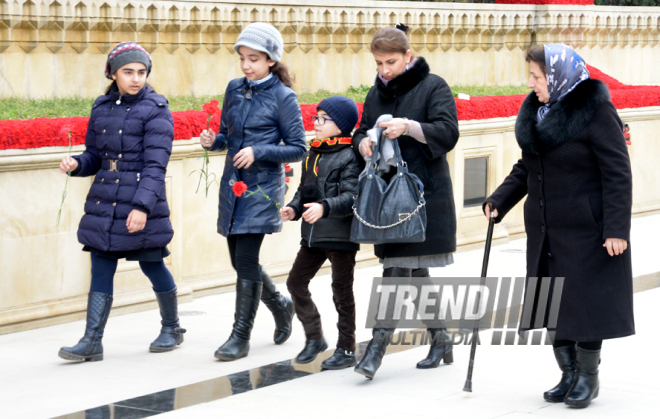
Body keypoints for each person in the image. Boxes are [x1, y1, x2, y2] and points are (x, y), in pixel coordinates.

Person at [484, 44, 634, 408]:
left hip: (587, 229)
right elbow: (527, 167)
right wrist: (499, 200)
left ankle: (588, 377)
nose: (532, 83)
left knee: (584, 304)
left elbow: (617, 173)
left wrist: (616, 229)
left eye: (537, 76)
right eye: (531, 76)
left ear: (556, 76)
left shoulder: (596, 111)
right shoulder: (537, 111)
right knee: (553, 304)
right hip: (546, 227)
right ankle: (567, 374)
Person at [58, 42, 184, 362]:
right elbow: (94, 156)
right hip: (105, 201)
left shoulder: (156, 109)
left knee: (151, 263)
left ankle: (171, 327)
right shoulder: (101, 107)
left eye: (142, 72)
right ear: (113, 73)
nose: (136, 78)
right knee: (101, 264)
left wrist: (141, 207)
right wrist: (76, 164)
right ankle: (91, 340)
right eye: (128, 72)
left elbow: (156, 166)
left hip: (142, 199)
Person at [351, 24, 460, 379]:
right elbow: (360, 129)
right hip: (387, 197)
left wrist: (410, 127)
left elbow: (448, 132)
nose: (385, 70)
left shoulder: (433, 86)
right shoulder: (375, 93)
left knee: (396, 270)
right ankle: (441, 338)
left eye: (392, 62)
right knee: (411, 271)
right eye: (379, 63)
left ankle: (376, 348)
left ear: (408, 57)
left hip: (423, 197)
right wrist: (362, 144)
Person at [199, 23, 307, 361]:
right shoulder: (234, 88)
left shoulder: (283, 97)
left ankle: (239, 336)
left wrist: (260, 151)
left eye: (255, 59)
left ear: (271, 60)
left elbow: (298, 148)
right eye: (243, 58)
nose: (247, 66)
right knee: (238, 259)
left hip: (262, 188)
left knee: (245, 258)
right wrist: (213, 142)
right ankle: (280, 304)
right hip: (233, 185)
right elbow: (227, 137)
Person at [280, 96, 361, 369]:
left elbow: (352, 197)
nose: (315, 123)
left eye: (323, 119)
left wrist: (324, 208)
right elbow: (305, 190)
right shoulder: (313, 152)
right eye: (316, 117)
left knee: (341, 292)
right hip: (313, 235)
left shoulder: (350, 155)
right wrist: (293, 209)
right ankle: (315, 337)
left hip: (340, 236)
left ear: (341, 125)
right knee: (295, 283)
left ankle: (347, 349)